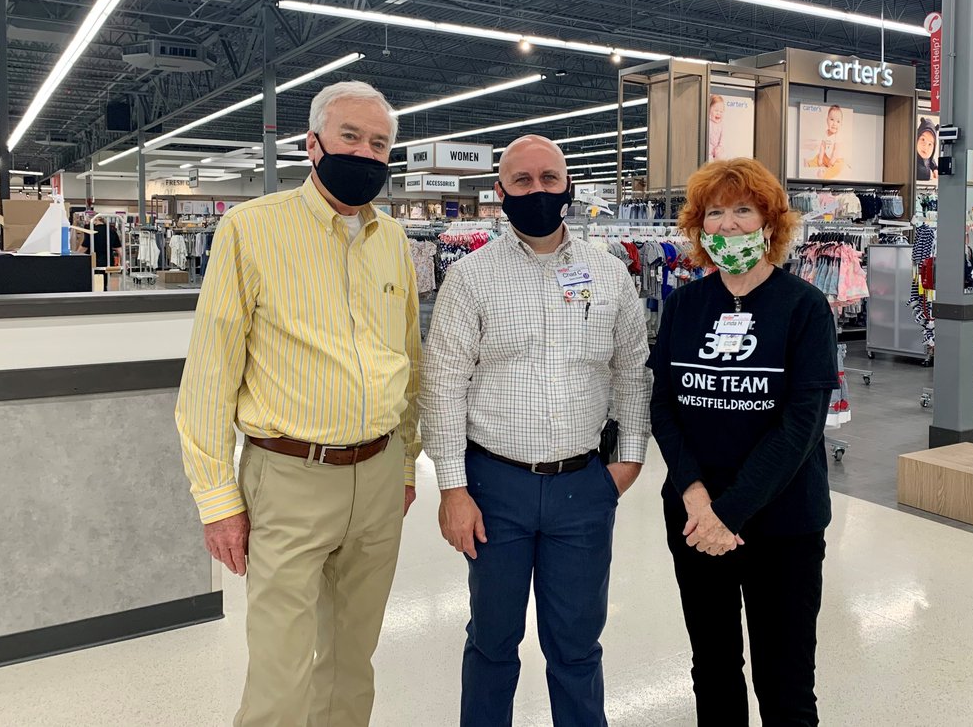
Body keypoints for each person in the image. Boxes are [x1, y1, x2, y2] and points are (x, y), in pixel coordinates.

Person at [175, 80, 422, 727]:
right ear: (312, 144)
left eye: (380, 144)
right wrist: (217, 499)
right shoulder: (249, 231)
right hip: (287, 479)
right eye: (351, 137)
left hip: (377, 477)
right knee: (280, 677)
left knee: (350, 664)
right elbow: (209, 375)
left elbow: (409, 362)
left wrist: (404, 462)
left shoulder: (394, 240)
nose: (366, 154)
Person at [421, 134, 652, 727]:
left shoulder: (610, 274)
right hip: (495, 486)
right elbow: (443, 385)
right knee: (493, 641)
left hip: (584, 486)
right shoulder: (470, 277)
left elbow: (631, 371)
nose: (537, 191)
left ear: (568, 186)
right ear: (499, 192)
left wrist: (626, 463)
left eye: (550, 179)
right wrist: (452, 489)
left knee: (576, 645)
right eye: (522, 181)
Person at [647, 157, 839, 726]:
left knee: (784, 683)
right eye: (715, 213)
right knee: (712, 668)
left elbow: (801, 425)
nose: (728, 224)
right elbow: (664, 406)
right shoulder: (685, 304)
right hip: (694, 518)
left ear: (769, 222)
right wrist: (698, 498)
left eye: (742, 210)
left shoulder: (804, 307)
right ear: (699, 227)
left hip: (783, 524)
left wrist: (727, 514)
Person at [805, 104, 846, 179]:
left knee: (838, 168)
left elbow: (836, 151)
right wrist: (820, 159)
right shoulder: (826, 133)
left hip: (836, 159)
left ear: (841, 124)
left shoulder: (838, 136)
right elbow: (822, 146)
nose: (834, 124)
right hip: (827, 157)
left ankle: (825, 174)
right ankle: (810, 163)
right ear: (827, 120)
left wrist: (831, 163)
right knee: (818, 156)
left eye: (838, 121)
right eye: (832, 119)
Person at [916, 118, 939, 183]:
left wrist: (935, 169)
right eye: (923, 139)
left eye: (930, 144)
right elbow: (916, 171)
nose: (925, 147)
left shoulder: (929, 158)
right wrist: (930, 174)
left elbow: (932, 163)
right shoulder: (911, 157)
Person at [707, 94, 727, 160]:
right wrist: (711, 149)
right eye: (716, 110)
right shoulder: (708, 123)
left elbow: (723, 137)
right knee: (708, 158)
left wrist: (719, 147)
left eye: (721, 111)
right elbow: (707, 138)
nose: (718, 113)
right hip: (709, 149)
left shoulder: (722, 125)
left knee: (722, 157)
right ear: (709, 110)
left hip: (718, 149)